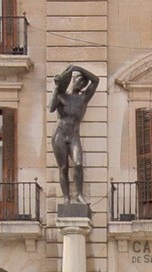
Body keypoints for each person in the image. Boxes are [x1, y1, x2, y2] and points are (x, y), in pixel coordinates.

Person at [51, 65, 98, 202]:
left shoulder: (84, 98)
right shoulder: (61, 96)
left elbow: (96, 81)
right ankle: (66, 198)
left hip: (73, 136)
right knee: (63, 167)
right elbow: (51, 108)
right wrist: (56, 87)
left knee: (78, 164)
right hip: (59, 134)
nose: (82, 83)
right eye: (79, 79)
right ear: (73, 80)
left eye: (84, 81)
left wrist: (78, 69)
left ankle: (79, 195)